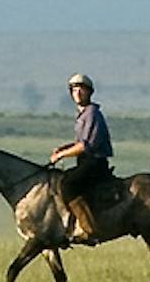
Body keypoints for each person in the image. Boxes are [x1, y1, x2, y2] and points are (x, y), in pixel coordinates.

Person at [48, 73, 112, 242]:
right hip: (85, 161)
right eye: (74, 90)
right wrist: (65, 147)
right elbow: (79, 142)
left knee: (67, 184)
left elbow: (85, 146)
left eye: (81, 89)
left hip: (94, 162)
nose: (77, 93)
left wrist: (61, 155)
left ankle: (88, 229)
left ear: (89, 92)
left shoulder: (91, 114)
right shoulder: (83, 115)